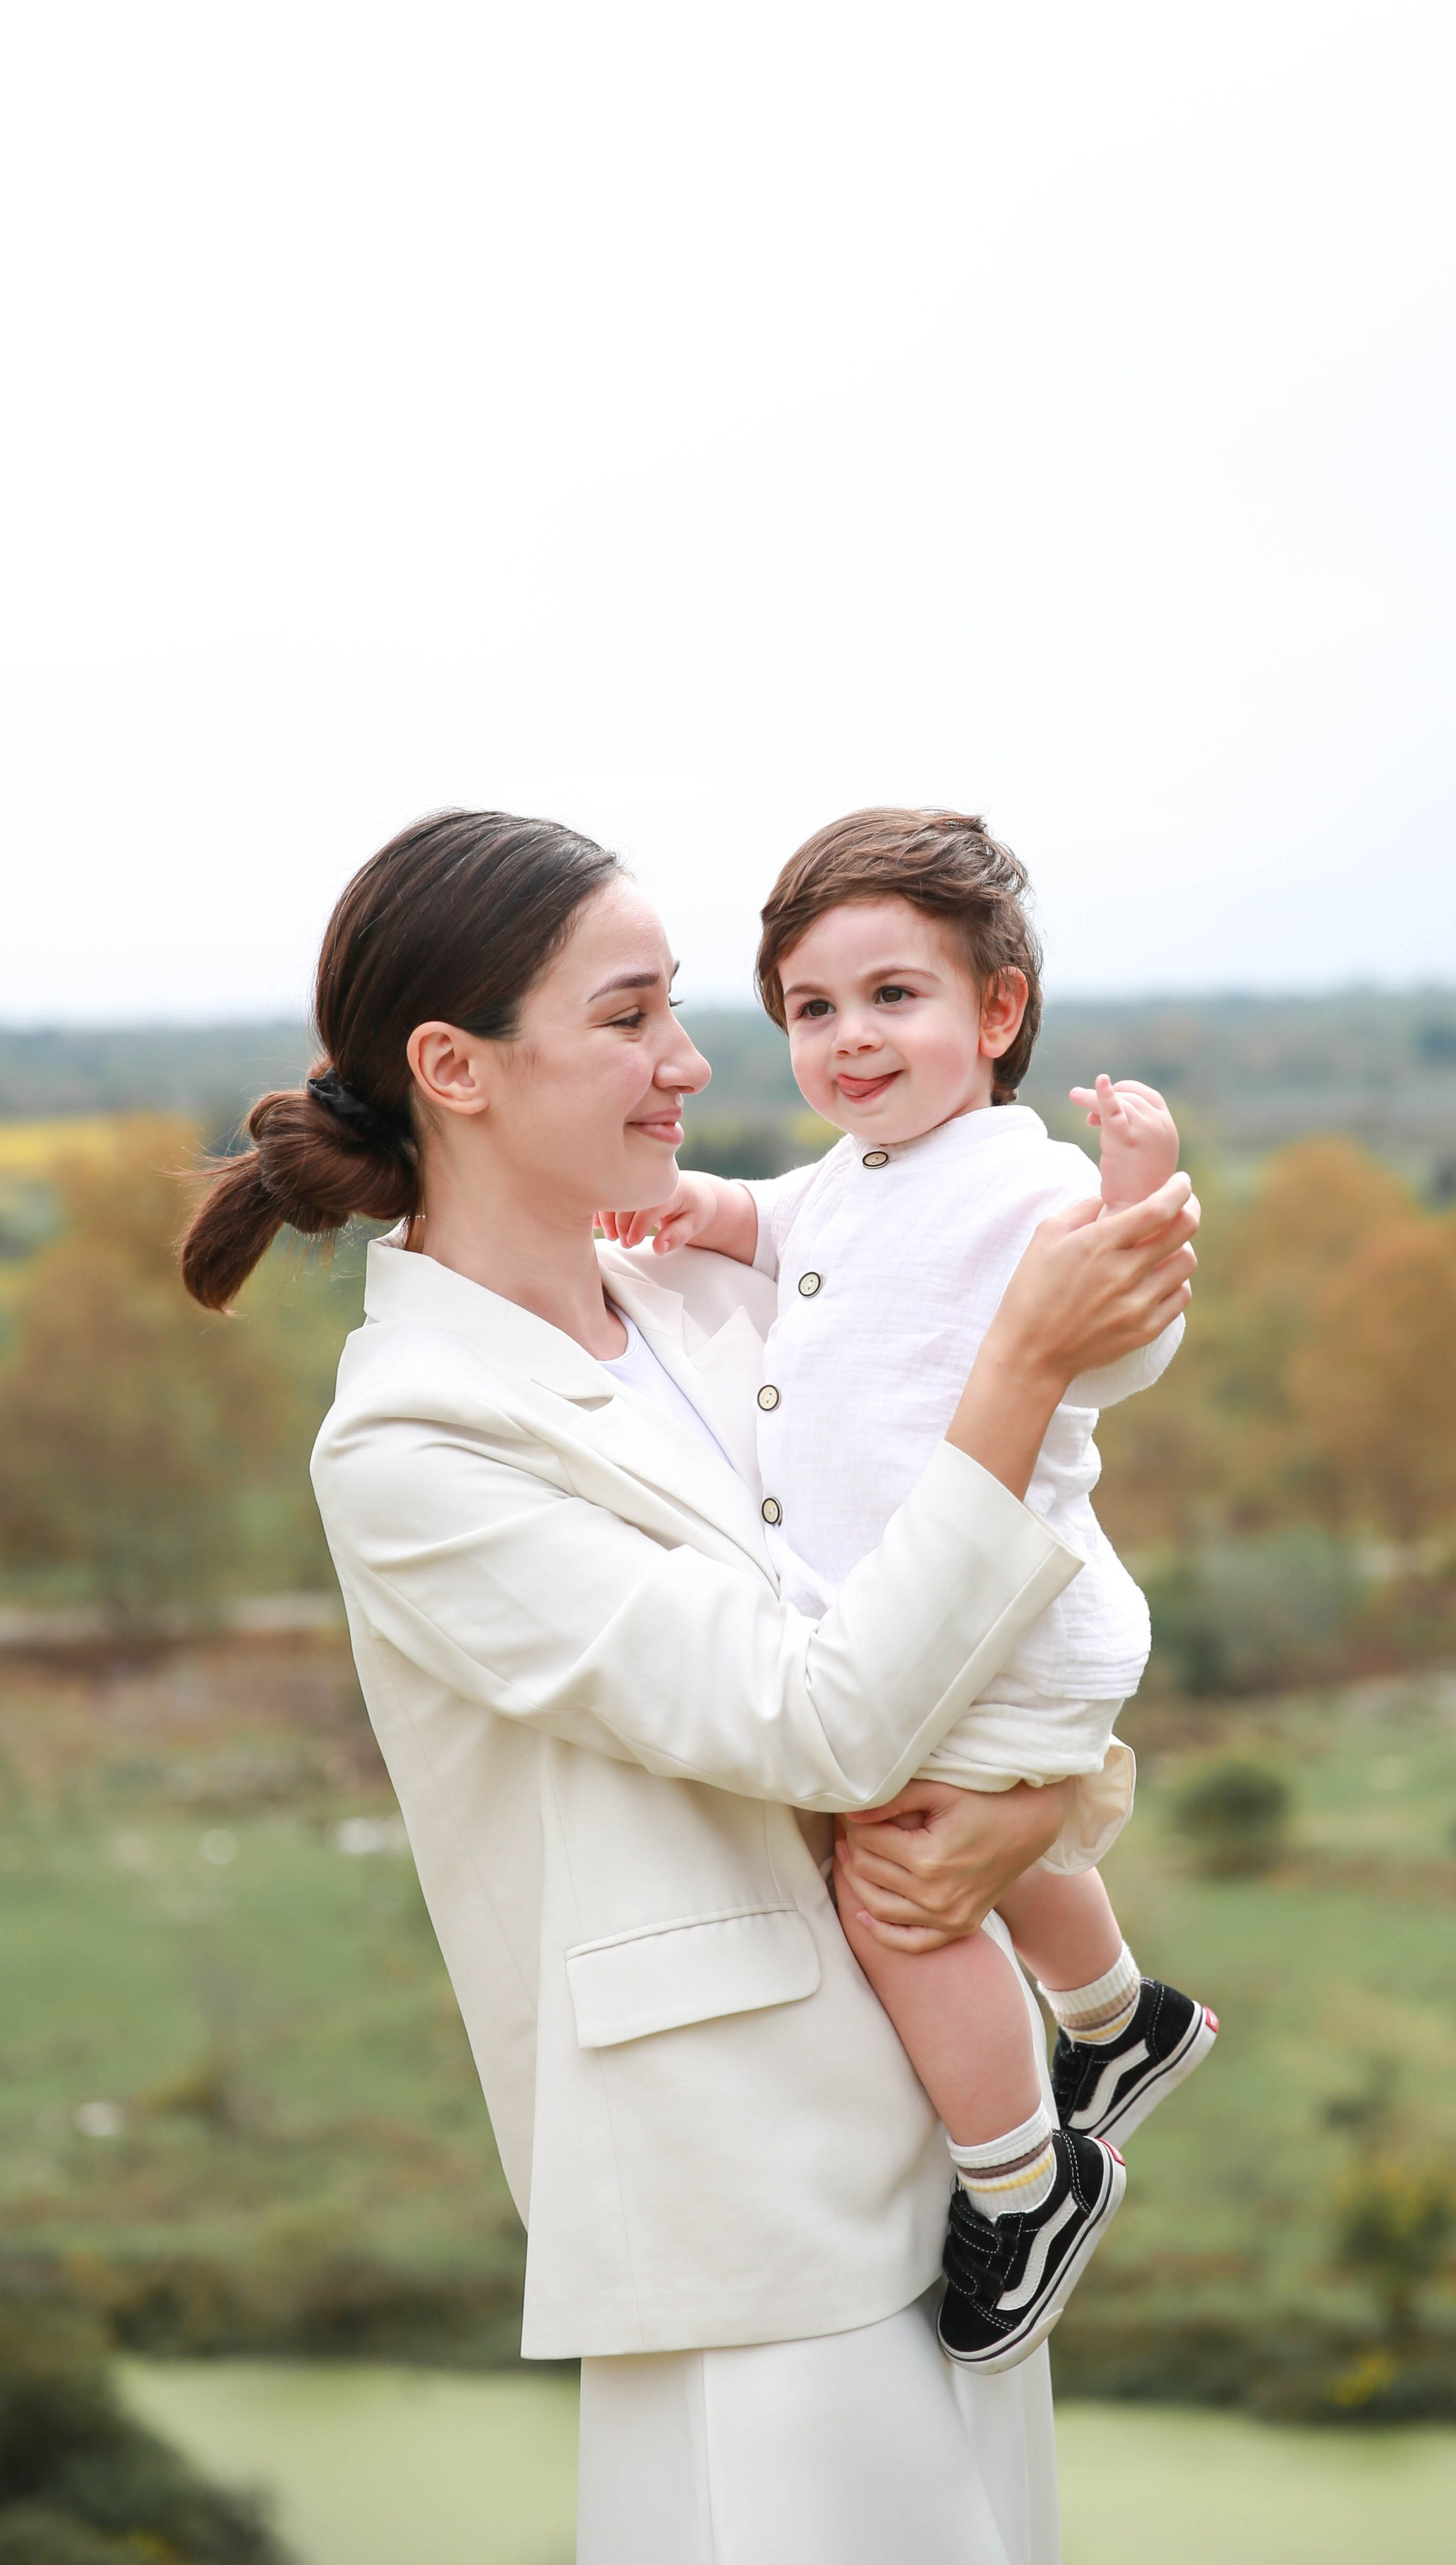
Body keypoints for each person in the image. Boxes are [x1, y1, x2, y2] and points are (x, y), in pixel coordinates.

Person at [177, 808, 1196, 2565]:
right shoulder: (415, 1448)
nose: (691, 1062)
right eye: (632, 1015)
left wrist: (1034, 1804)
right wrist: (1022, 1360)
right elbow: (820, 1717)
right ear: (455, 1067)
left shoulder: (706, 1304)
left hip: (949, 2186)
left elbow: (972, 1627)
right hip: (741, 2214)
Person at [603, 808, 1217, 2372]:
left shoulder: (1018, 1179)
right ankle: (1113, 2016)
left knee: (902, 1889)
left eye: (892, 997)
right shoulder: (855, 1177)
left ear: (994, 1013)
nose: (848, 1039)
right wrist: (695, 1212)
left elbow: (1122, 1332)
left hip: (998, 1611)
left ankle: (1022, 2180)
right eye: (812, 1009)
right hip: (925, 1608)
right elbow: (768, 1222)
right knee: (976, 1837)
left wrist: (1138, 1186)